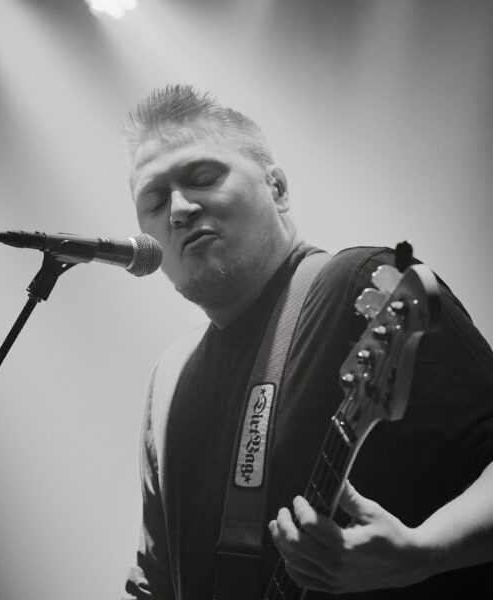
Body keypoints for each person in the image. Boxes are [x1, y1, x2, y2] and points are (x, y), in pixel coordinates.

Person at [122, 84, 493, 599]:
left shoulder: (363, 287)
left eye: (203, 177)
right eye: (155, 201)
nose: (179, 209)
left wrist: (424, 551)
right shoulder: (168, 380)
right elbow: (156, 583)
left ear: (277, 189)